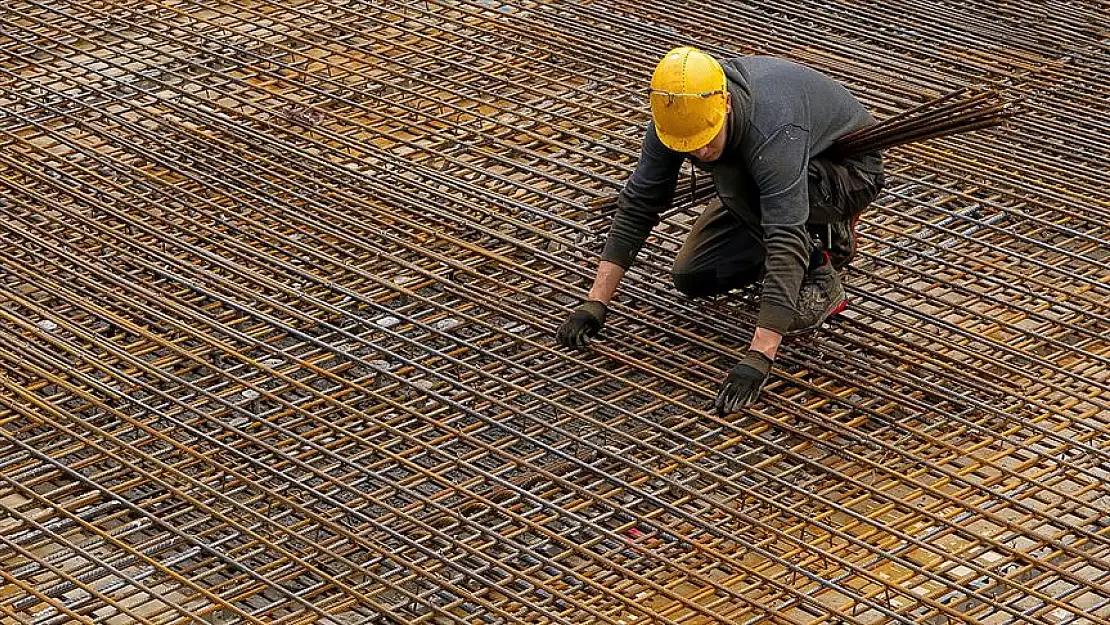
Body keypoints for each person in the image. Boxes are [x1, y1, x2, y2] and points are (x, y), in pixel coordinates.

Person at [556, 47, 885, 415]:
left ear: (725, 104)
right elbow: (639, 201)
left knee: (736, 180)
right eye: (689, 147)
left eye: (706, 139)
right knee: (694, 276)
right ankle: (819, 230)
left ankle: (821, 272)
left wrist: (759, 356)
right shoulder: (676, 115)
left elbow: (784, 235)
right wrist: (595, 302)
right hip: (768, 178)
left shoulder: (772, 127)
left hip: (846, 173)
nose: (698, 151)